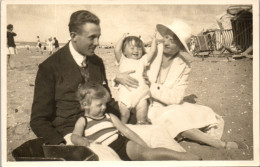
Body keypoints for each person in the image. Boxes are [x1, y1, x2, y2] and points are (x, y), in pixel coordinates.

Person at [30, 10, 190, 160]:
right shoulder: (50, 67)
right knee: (108, 158)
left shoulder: (96, 62)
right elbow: (38, 120)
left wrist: (134, 121)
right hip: (74, 134)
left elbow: (107, 102)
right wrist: (61, 146)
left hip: (107, 124)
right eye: (92, 37)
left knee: (156, 131)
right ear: (74, 36)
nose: (97, 43)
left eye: (98, 37)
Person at [115, 20, 244, 149]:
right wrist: (117, 78)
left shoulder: (184, 66)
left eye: (172, 40)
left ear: (181, 46)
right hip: (144, 104)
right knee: (174, 118)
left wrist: (152, 86)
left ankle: (198, 134)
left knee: (202, 112)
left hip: (167, 105)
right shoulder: (148, 52)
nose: (166, 42)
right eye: (166, 37)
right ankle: (219, 144)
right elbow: (125, 66)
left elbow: (176, 98)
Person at [71, 82, 200, 160]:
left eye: (105, 104)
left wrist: (143, 145)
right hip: (105, 151)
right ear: (85, 105)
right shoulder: (83, 121)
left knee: (147, 154)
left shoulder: (109, 116)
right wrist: (81, 140)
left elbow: (126, 131)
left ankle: (181, 157)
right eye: (99, 105)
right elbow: (74, 135)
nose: (104, 107)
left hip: (121, 145)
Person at [114, 33, 157, 124]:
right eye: (132, 48)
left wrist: (154, 40)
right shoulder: (122, 60)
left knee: (142, 116)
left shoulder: (143, 60)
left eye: (139, 48)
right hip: (126, 94)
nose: (136, 51)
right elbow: (116, 50)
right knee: (124, 115)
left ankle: (141, 126)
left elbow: (152, 52)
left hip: (141, 94)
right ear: (124, 52)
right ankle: (122, 130)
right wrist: (122, 38)